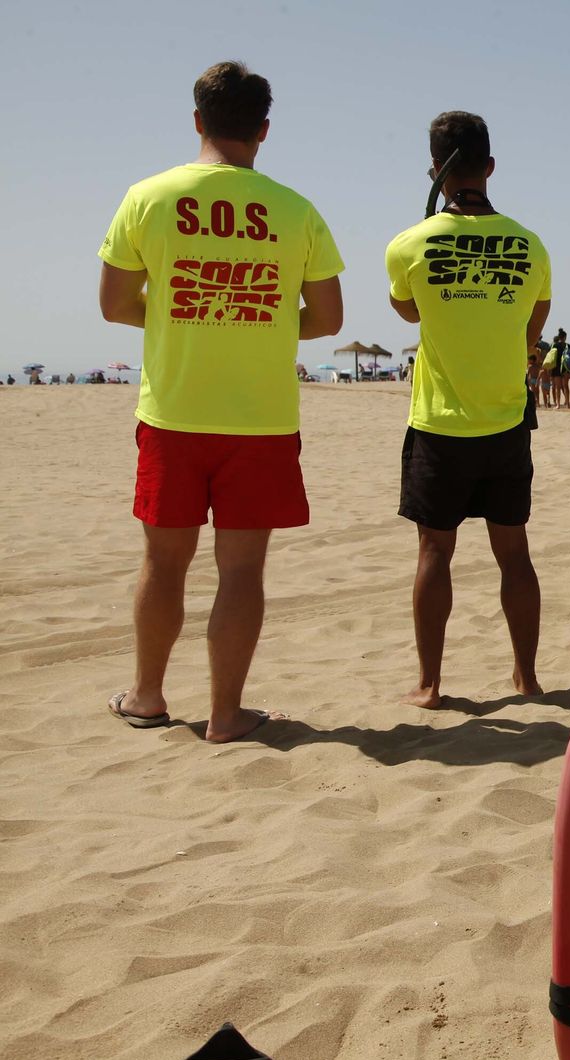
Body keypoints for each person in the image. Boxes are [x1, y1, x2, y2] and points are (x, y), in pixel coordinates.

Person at [97, 61, 344, 742]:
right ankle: (227, 714)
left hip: (174, 412)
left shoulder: (148, 196)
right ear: (264, 129)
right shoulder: (296, 209)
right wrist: (253, 316)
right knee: (241, 569)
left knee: (163, 560)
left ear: (198, 120)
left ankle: (147, 695)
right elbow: (326, 320)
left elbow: (116, 303)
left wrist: (190, 308)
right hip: (260, 421)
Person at [384, 110, 551, 707]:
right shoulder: (530, 244)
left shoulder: (409, 243)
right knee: (514, 552)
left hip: (439, 423)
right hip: (507, 418)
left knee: (435, 550)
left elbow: (410, 312)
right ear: (490, 166)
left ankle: (429, 684)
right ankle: (526, 678)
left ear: (435, 168)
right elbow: (535, 322)